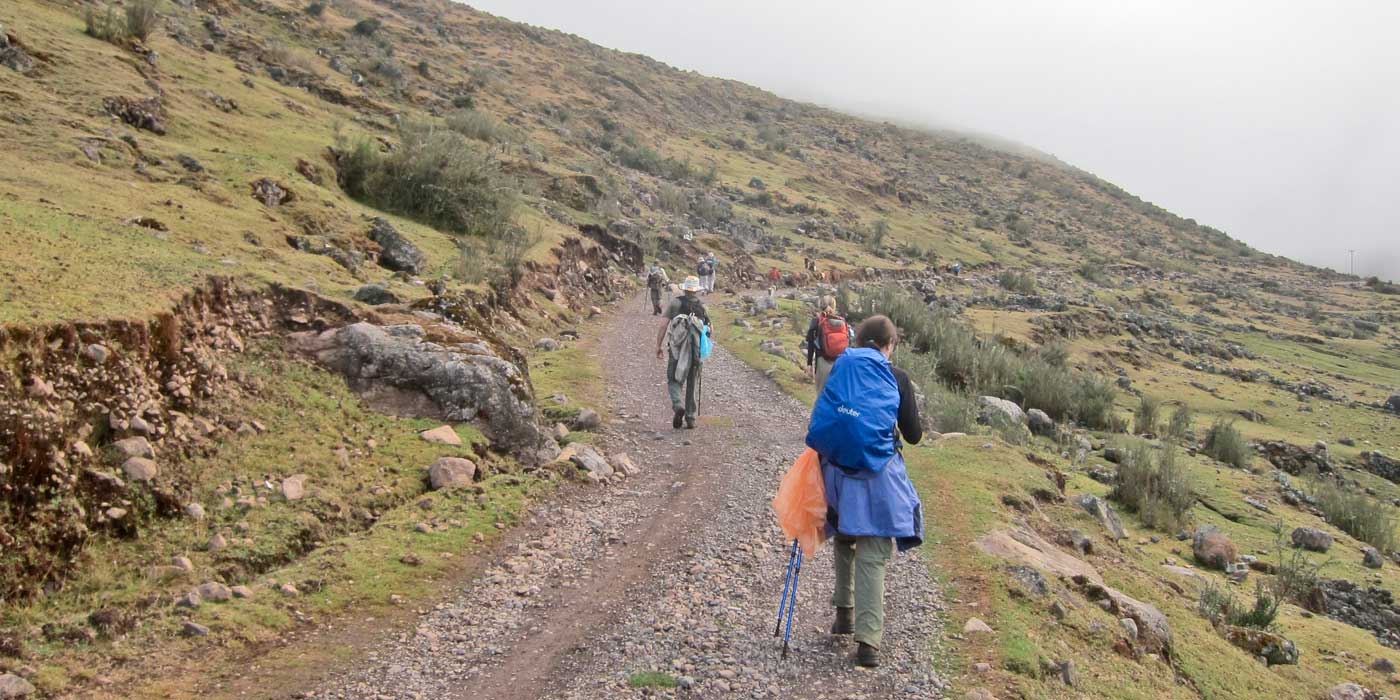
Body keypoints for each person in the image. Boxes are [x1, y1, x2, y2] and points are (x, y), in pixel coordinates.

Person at [807, 315, 923, 668]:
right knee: (873, 551)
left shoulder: (840, 367)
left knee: (845, 536)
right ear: (890, 344)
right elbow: (914, 435)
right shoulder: (897, 377)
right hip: (878, 474)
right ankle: (868, 642)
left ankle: (844, 614)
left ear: (858, 341)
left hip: (839, 471)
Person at [655, 276, 710, 429]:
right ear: (696, 290)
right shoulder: (702, 307)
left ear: (685, 289)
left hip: (676, 348)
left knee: (674, 379)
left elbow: (663, 325)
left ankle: (678, 405)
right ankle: (691, 418)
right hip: (695, 349)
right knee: (692, 381)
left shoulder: (675, 303)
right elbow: (709, 331)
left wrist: (658, 346)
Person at [804, 295, 852, 395]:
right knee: (837, 395)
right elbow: (848, 344)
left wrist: (809, 364)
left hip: (822, 363)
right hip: (840, 364)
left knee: (821, 395)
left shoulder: (817, 321)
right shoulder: (842, 322)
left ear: (820, 306)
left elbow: (811, 344)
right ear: (834, 307)